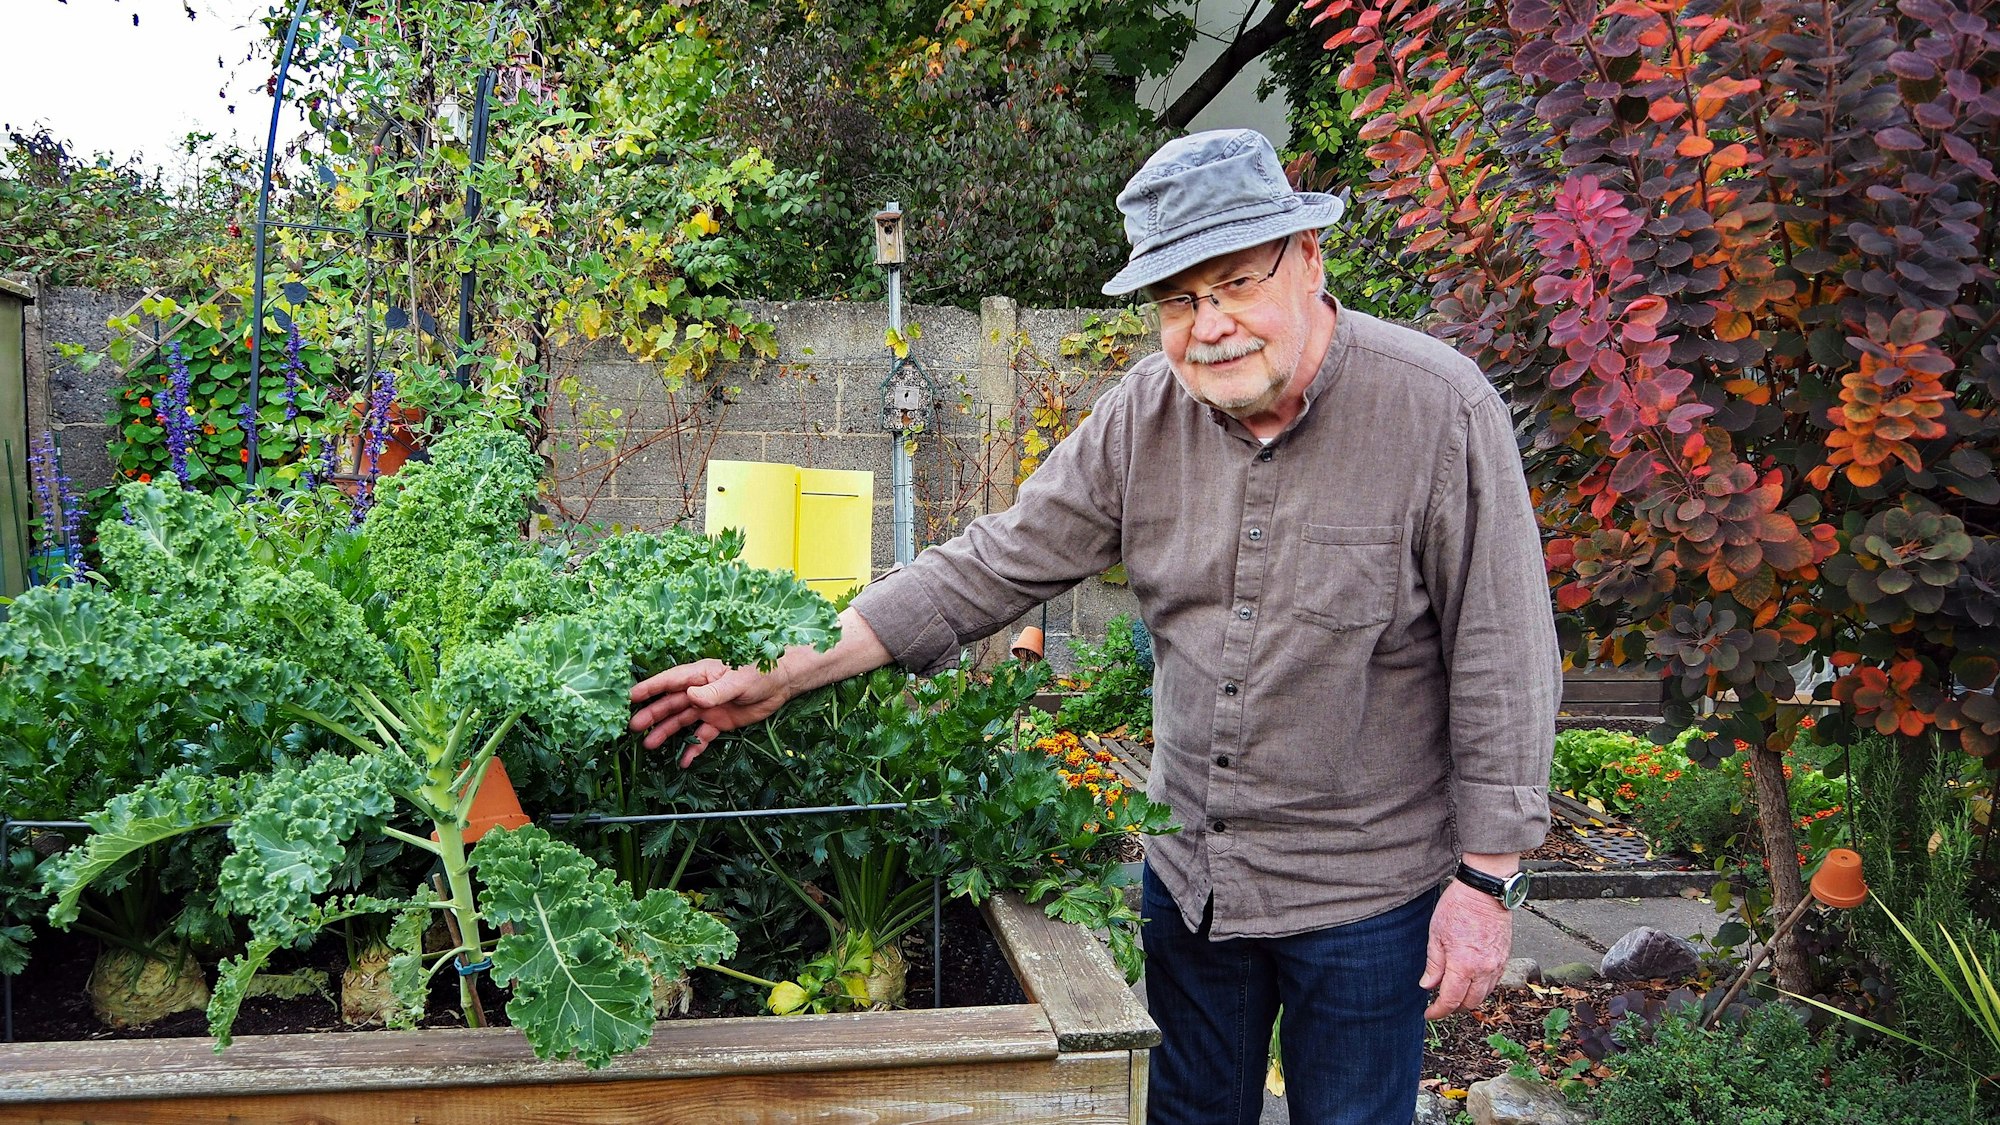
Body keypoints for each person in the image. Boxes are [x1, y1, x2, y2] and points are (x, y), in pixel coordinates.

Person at [631, 128, 1558, 1125]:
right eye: (1177, 300)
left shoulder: (1435, 408)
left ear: (1308, 260)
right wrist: (788, 669)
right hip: (1194, 878)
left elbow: (1502, 656)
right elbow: (997, 558)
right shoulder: (1142, 415)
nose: (1209, 326)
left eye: (1237, 283)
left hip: (1365, 896)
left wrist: (1483, 882)